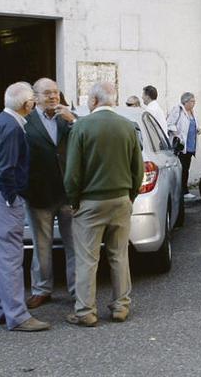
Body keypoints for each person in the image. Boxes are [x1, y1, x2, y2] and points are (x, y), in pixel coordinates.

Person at [65, 82, 143, 327]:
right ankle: (121, 306)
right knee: (119, 255)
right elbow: (137, 170)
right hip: (120, 199)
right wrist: (130, 196)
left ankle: (85, 311)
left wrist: (73, 200)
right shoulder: (128, 127)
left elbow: (72, 174)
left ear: (94, 101)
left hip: (90, 202)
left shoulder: (81, 127)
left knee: (88, 259)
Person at [0, 82, 49, 332]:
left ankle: (1, 307)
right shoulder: (12, 127)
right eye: (33, 99)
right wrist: (12, 198)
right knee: (10, 257)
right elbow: (7, 169)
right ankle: (18, 315)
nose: (35, 103)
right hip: (2, 196)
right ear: (27, 104)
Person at [23, 78, 77, 310]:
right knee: (42, 246)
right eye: (47, 93)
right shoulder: (26, 121)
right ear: (35, 97)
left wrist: (73, 121)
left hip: (68, 193)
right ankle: (41, 289)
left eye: (55, 92)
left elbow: (85, 141)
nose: (53, 97)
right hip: (39, 194)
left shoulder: (69, 119)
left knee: (75, 245)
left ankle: (78, 290)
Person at [168, 92, 201, 201]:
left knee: (186, 169)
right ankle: (181, 191)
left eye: (194, 101)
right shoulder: (178, 110)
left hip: (190, 146)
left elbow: (191, 125)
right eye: (192, 101)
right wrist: (177, 133)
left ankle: (184, 191)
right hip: (181, 146)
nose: (194, 103)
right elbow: (169, 124)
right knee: (181, 169)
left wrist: (197, 129)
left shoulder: (191, 112)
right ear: (186, 102)